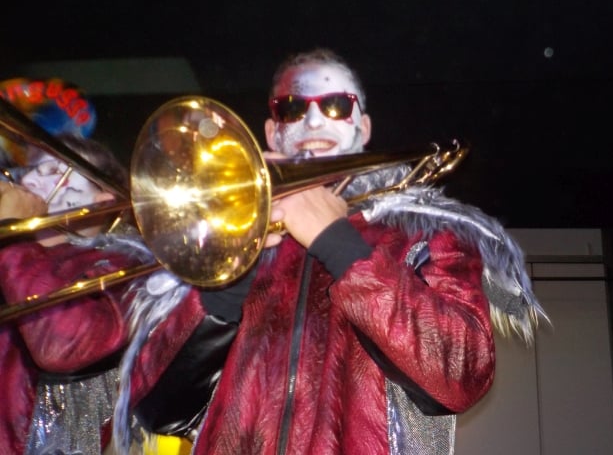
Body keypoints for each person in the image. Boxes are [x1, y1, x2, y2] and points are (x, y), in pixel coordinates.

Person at [113, 47, 545, 455]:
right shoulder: (220, 238)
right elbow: (155, 407)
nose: (315, 120)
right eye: (293, 108)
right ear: (272, 132)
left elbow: (462, 374)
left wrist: (337, 243)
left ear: (363, 127)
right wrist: (230, 274)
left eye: (337, 105)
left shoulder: (427, 231)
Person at [0, 134, 153, 455]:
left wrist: (12, 233)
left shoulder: (126, 267)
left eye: (53, 171)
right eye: (32, 170)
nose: (28, 181)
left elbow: (62, 342)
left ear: (102, 202)